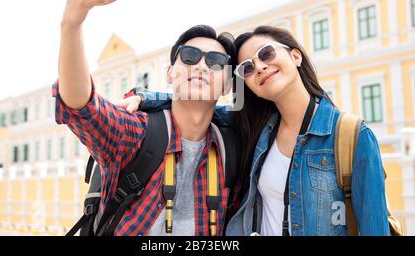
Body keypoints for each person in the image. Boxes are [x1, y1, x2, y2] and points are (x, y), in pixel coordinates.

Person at [124, 25, 391, 236]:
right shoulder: (256, 130)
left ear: (295, 55)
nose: (260, 66)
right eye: (247, 68)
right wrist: (145, 98)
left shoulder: (352, 137)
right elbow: (197, 103)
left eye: (266, 53)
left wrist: (146, 97)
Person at [54, 0, 240, 236]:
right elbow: (83, 107)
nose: (202, 65)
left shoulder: (234, 146)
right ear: (170, 74)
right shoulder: (139, 133)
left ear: (227, 84)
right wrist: (71, 23)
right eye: (190, 56)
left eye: (215, 62)